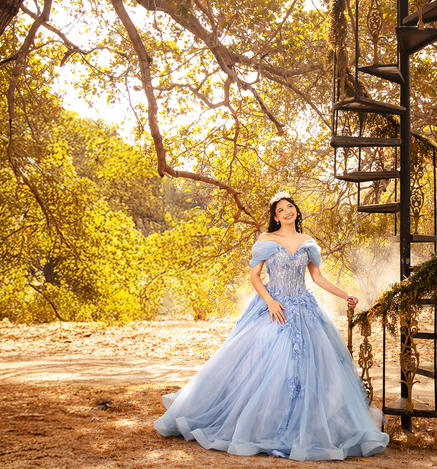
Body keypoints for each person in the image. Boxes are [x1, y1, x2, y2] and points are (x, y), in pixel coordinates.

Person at [154, 192, 389, 460]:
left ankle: (302, 426)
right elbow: (255, 277)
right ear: (275, 216)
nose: (287, 211)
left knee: (313, 366)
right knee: (263, 363)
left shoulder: (307, 242)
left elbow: (317, 277)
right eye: (281, 209)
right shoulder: (266, 240)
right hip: (273, 308)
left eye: (291, 207)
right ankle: (260, 423)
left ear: (296, 212)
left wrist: (344, 294)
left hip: (304, 310)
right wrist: (270, 302)